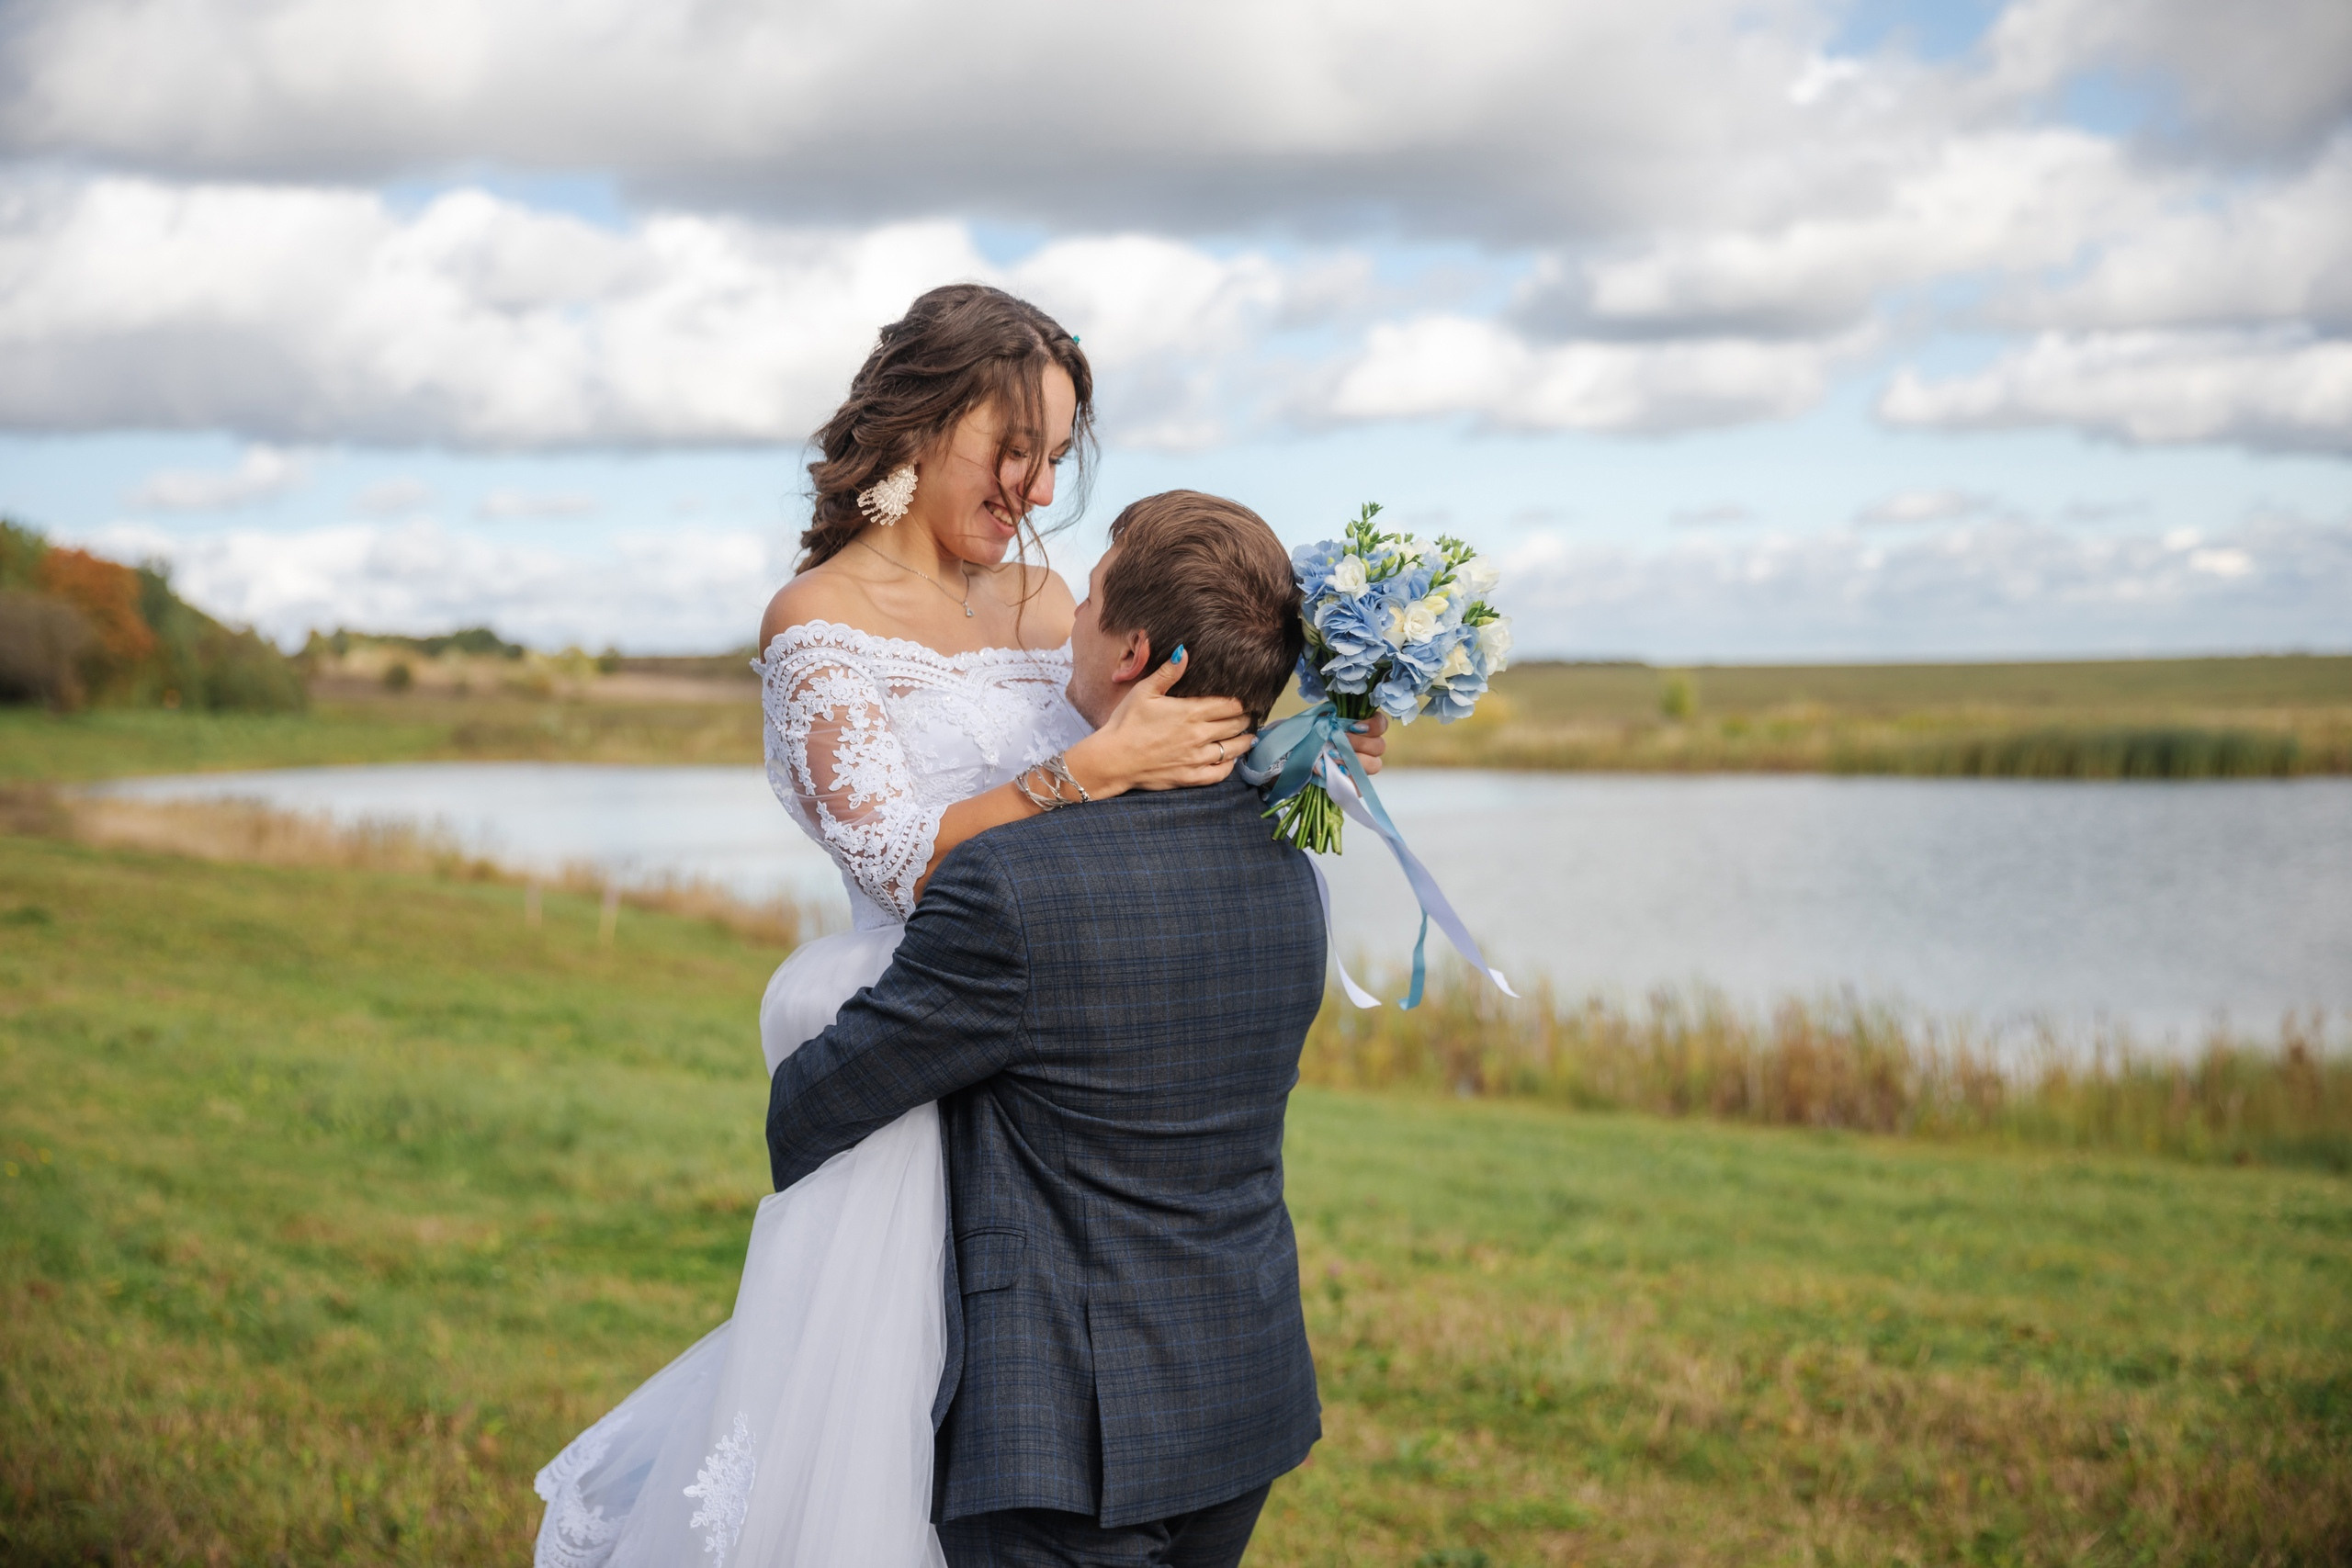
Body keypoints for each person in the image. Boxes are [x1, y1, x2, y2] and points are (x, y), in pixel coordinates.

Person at [532, 286, 1381, 1568]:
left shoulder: (1060, 607)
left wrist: (1306, 726)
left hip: (1071, 1069)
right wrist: (1076, 780)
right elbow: (905, 863)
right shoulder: (819, 625)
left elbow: (1178, 732)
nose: (1038, 489)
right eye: (1016, 448)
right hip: (921, 1059)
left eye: (1056, 456)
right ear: (923, 424)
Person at [769, 490, 1326, 1568]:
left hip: (1070, 1443)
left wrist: (807, 999)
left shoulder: (1011, 887)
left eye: (1092, 599)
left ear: (1131, 654)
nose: (1061, 616)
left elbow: (816, 1106)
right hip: (1242, 1392)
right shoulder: (1288, 862)